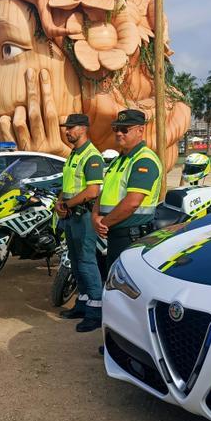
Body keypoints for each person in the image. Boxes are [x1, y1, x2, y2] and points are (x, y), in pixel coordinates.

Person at [93, 110, 163, 272]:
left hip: (131, 237)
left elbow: (132, 202)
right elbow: (104, 192)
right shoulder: (119, 159)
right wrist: (95, 216)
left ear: (140, 130)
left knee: (124, 287)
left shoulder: (144, 160)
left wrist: (103, 223)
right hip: (115, 232)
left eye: (125, 129)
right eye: (116, 128)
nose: (118, 133)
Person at [56, 114, 105, 332]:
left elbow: (93, 191)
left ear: (83, 129)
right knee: (76, 263)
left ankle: (95, 312)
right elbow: (67, 186)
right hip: (71, 217)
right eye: (66, 128)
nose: (67, 131)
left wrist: (67, 205)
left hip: (84, 217)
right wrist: (60, 202)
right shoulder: (74, 154)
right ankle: (83, 304)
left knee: (86, 263)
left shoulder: (92, 156)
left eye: (71, 128)